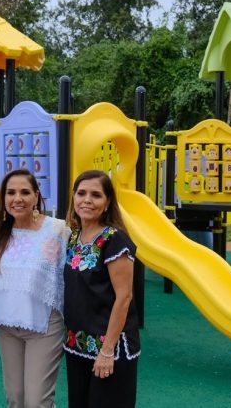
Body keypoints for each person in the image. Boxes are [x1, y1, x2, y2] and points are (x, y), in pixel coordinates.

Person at [0, 169, 70, 408]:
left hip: (45, 325)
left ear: (36, 196)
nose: (17, 198)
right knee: (15, 399)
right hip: (7, 325)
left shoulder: (57, 230)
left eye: (25, 192)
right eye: (11, 192)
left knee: (37, 402)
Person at [63, 170, 140, 408]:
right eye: (81, 193)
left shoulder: (114, 240)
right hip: (77, 345)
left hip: (110, 350)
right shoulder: (73, 237)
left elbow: (124, 297)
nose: (87, 200)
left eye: (96, 195)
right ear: (73, 197)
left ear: (107, 203)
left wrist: (107, 351)